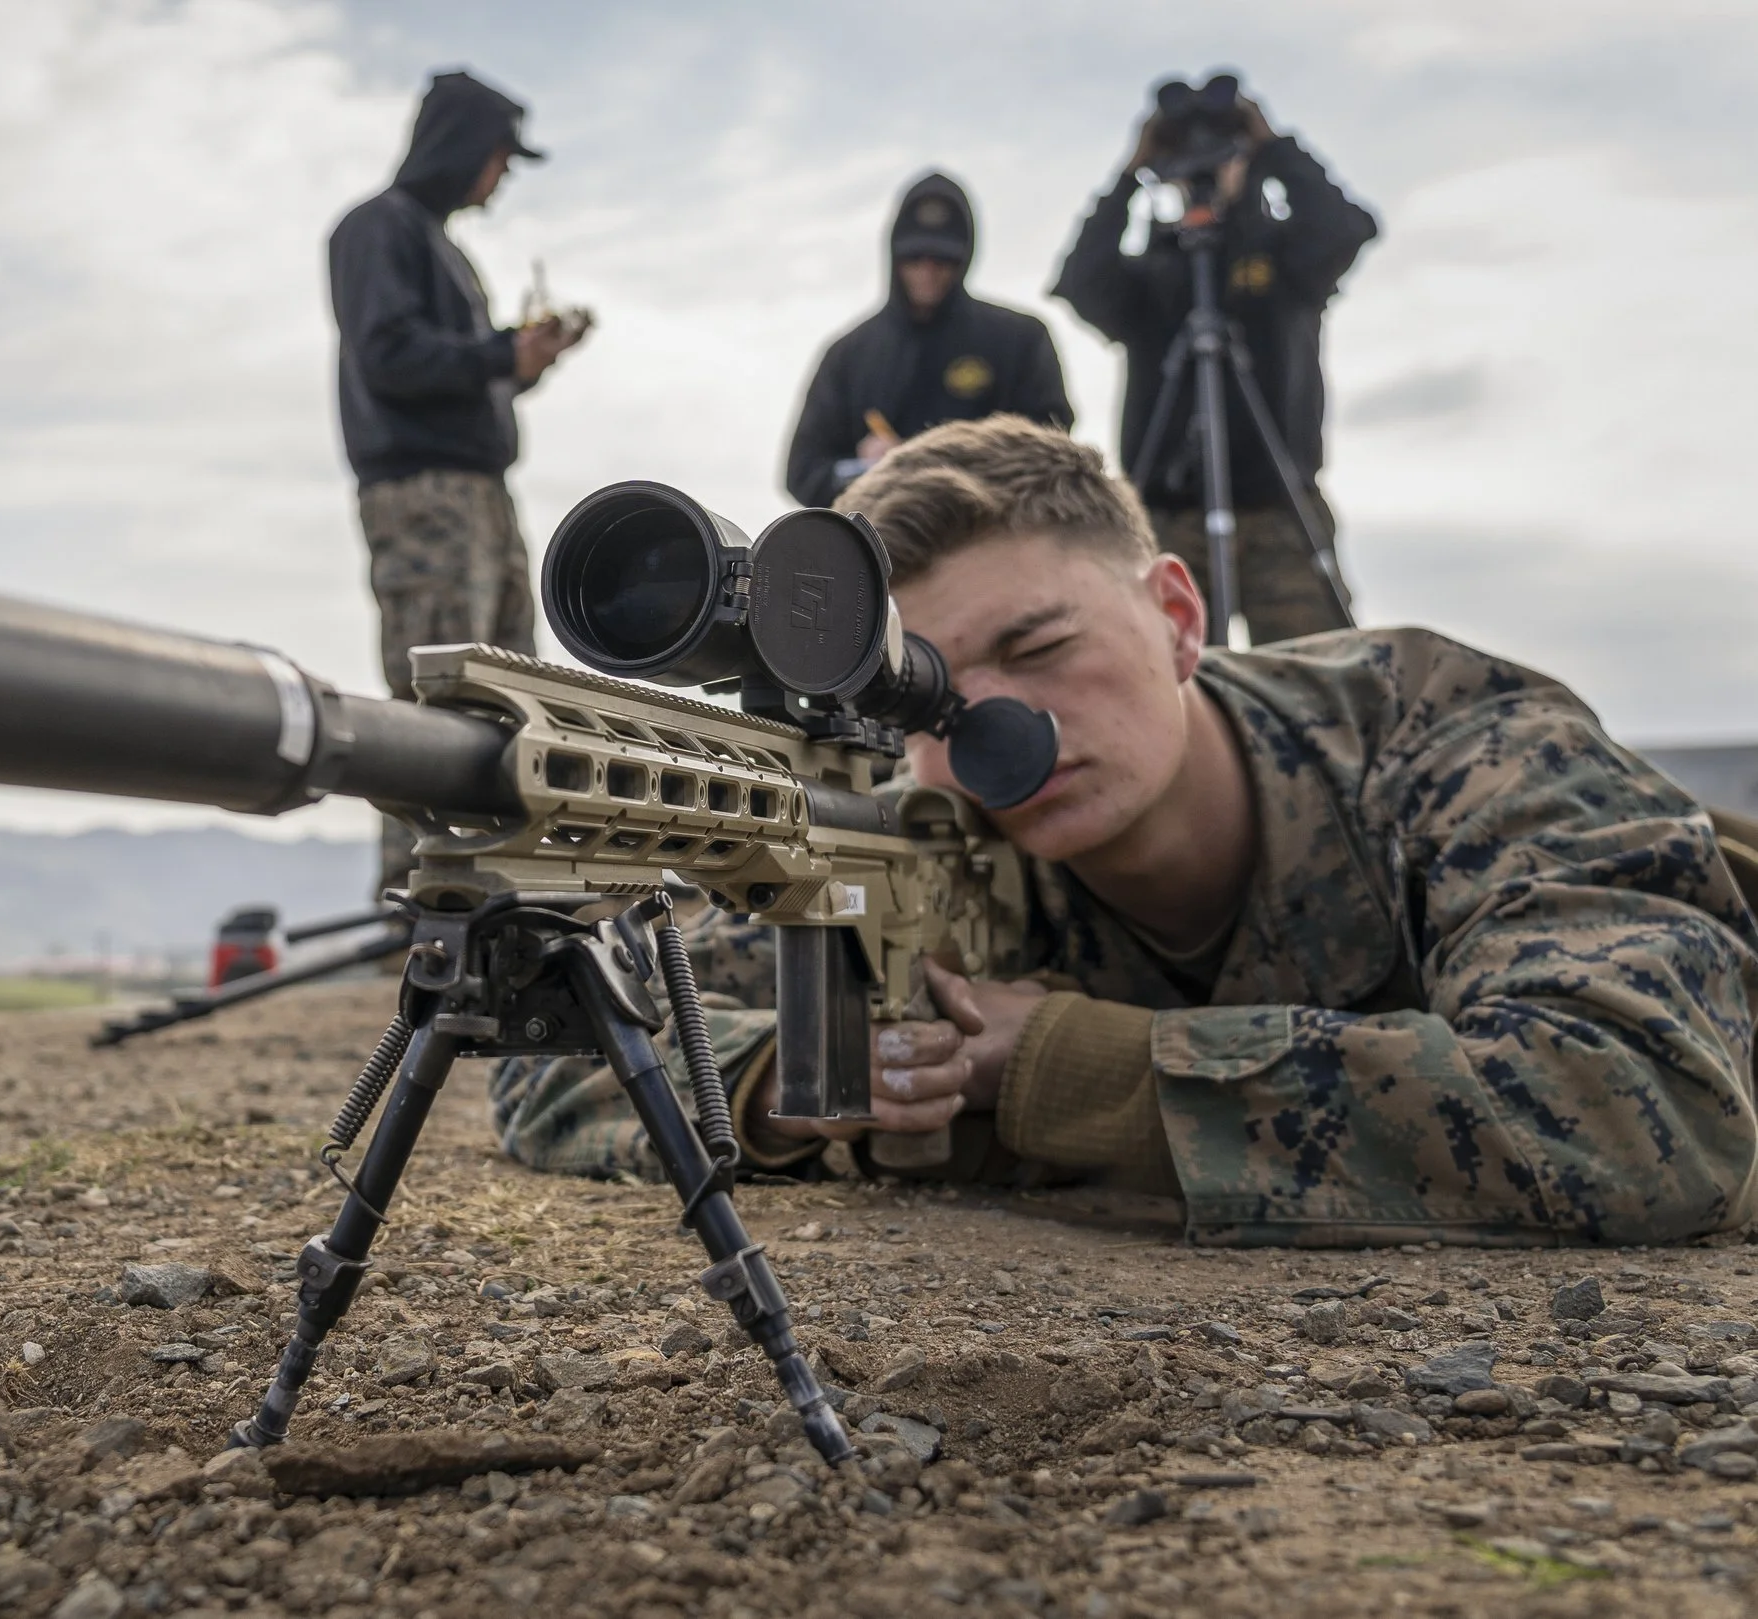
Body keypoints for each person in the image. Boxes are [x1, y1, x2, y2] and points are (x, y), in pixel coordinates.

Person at [493, 415, 1758, 1247]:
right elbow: (552, 1050)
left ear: (1175, 615)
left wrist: (1065, 1072)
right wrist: (800, 1080)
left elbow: (1639, 1106)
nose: (994, 729)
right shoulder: (914, 821)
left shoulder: (1456, 734)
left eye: (1039, 647)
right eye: (922, 691)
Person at [329, 69, 587, 896]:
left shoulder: (438, 245)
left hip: (478, 493)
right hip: (426, 494)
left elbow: (451, 369)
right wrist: (498, 355)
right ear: (467, 148)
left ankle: (494, 885)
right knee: (433, 694)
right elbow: (391, 357)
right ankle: (411, 898)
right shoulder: (378, 231)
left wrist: (521, 364)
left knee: (507, 693)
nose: (503, 176)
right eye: (501, 158)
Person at [1053, 78, 1377, 644]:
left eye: (1218, 147)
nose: (1202, 166)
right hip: (1169, 514)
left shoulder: (1283, 260)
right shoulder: (1153, 274)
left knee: (1316, 673)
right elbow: (1080, 280)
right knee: (1158, 675)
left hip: (1278, 508)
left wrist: (1270, 144)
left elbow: (1346, 229)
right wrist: (1132, 172)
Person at [785, 173, 1073, 509]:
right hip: (883, 548)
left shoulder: (1021, 340)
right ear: (895, 257)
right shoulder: (849, 354)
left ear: (963, 258)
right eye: (915, 258)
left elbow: (1054, 454)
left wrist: (926, 464)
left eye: (942, 260)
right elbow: (801, 472)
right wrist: (861, 470)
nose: (927, 271)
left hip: (989, 540)